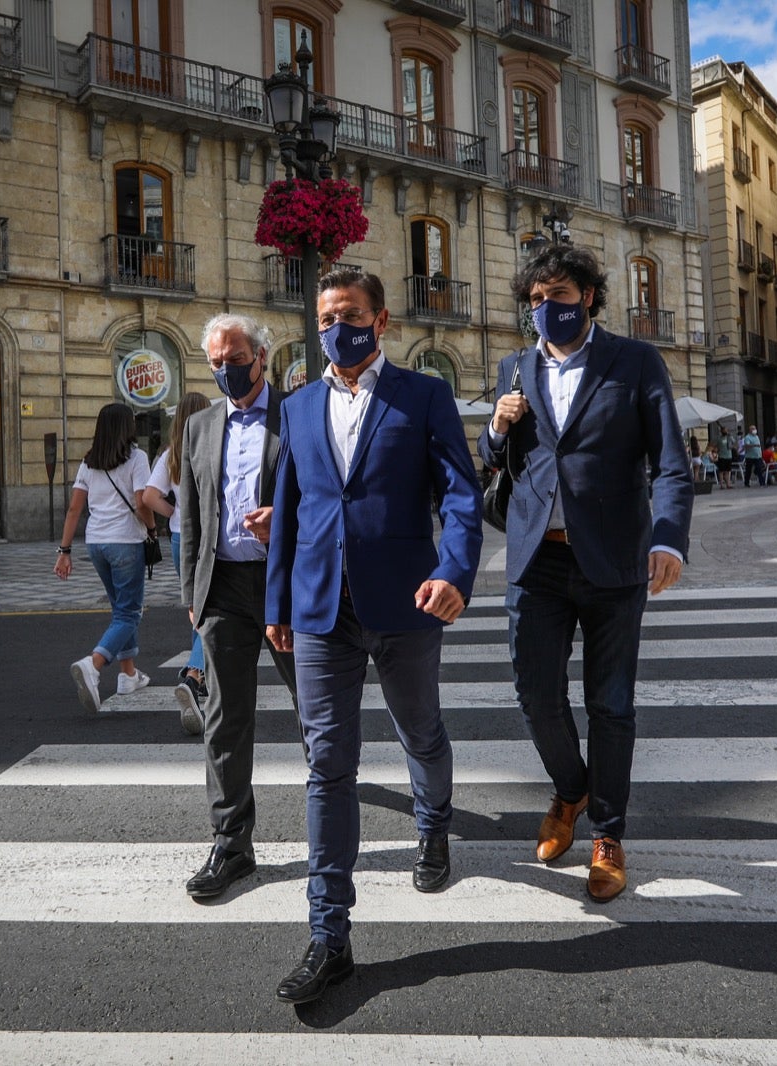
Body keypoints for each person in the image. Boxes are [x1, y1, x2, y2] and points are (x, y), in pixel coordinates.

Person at [265, 269, 482, 1005]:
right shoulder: (296, 407)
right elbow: (289, 511)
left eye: (349, 315)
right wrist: (278, 602)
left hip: (409, 600)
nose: (336, 328)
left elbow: (460, 491)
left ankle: (433, 825)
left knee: (420, 730)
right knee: (328, 765)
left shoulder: (423, 395)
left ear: (380, 320)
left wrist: (455, 568)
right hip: (322, 609)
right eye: (326, 317)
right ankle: (331, 935)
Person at [479, 244, 693, 905]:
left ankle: (608, 830)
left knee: (611, 704)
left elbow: (672, 463)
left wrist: (669, 539)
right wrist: (494, 426)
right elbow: (499, 462)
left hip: (613, 560)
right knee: (535, 697)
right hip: (536, 560)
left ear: (591, 298)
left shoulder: (634, 362)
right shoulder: (514, 367)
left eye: (561, 298)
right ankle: (570, 790)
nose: (548, 310)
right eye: (537, 300)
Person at [177, 313, 296, 903]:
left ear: (262, 357)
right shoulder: (198, 426)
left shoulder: (298, 415)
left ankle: (333, 823)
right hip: (221, 587)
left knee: (317, 708)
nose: (226, 369)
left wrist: (288, 522)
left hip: (287, 587)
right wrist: (190, 597)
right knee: (226, 721)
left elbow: (325, 497)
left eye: (235, 358)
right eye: (216, 362)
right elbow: (190, 518)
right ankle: (231, 843)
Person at [54, 402, 155, 710]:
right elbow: (142, 502)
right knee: (129, 612)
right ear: (128, 427)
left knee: (120, 609)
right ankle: (93, 665)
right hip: (126, 542)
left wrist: (65, 550)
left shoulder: (89, 462)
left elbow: (74, 509)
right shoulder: (137, 458)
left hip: (96, 544)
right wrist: (152, 528)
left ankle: (128, 675)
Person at [142, 391, 212, 736]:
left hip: (180, 540)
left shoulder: (171, 454)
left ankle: (201, 675)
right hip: (207, 538)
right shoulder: (211, 445)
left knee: (198, 608)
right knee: (211, 609)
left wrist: (174, 515)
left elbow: (148, 496)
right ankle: (194, 673)